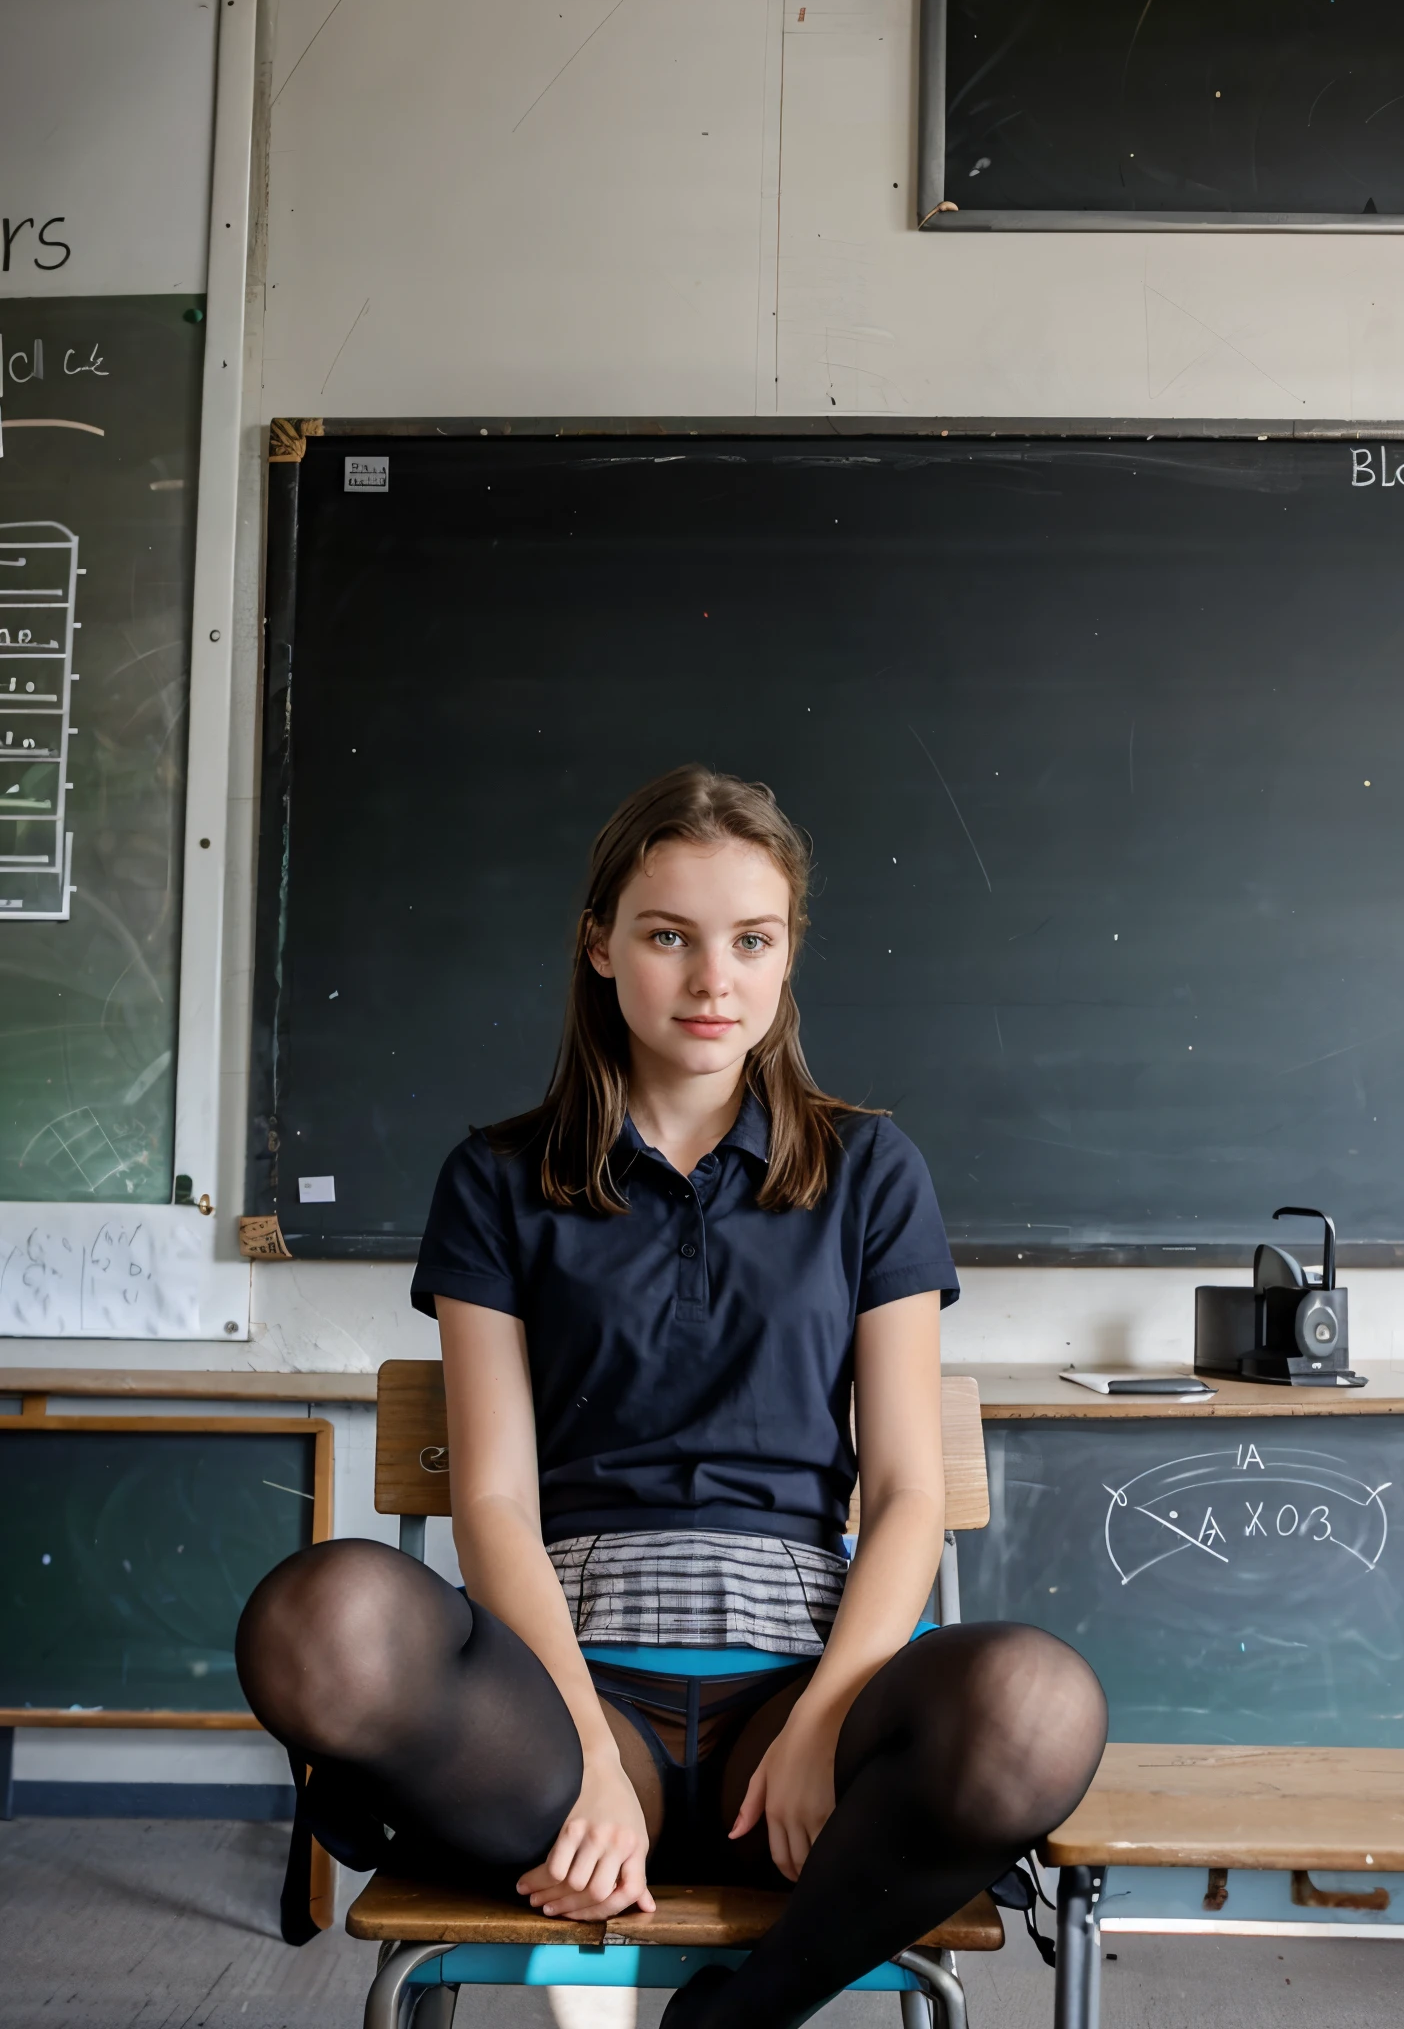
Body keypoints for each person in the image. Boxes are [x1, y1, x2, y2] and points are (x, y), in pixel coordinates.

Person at [236, 765, 1107, 2029]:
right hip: (558, 1703)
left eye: (751, 940)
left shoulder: (872, 1169)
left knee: (1040, 1700)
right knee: (317, 1614)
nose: (713, 980)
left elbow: (910, 1489)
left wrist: (819, 1721)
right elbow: (490, 1492)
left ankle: (741, 2014)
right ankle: (610, 1840)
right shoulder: (494, 1178)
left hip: (804, 1693)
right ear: (600, 946)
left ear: (788, 950)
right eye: (668, 936)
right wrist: (585, 1740)